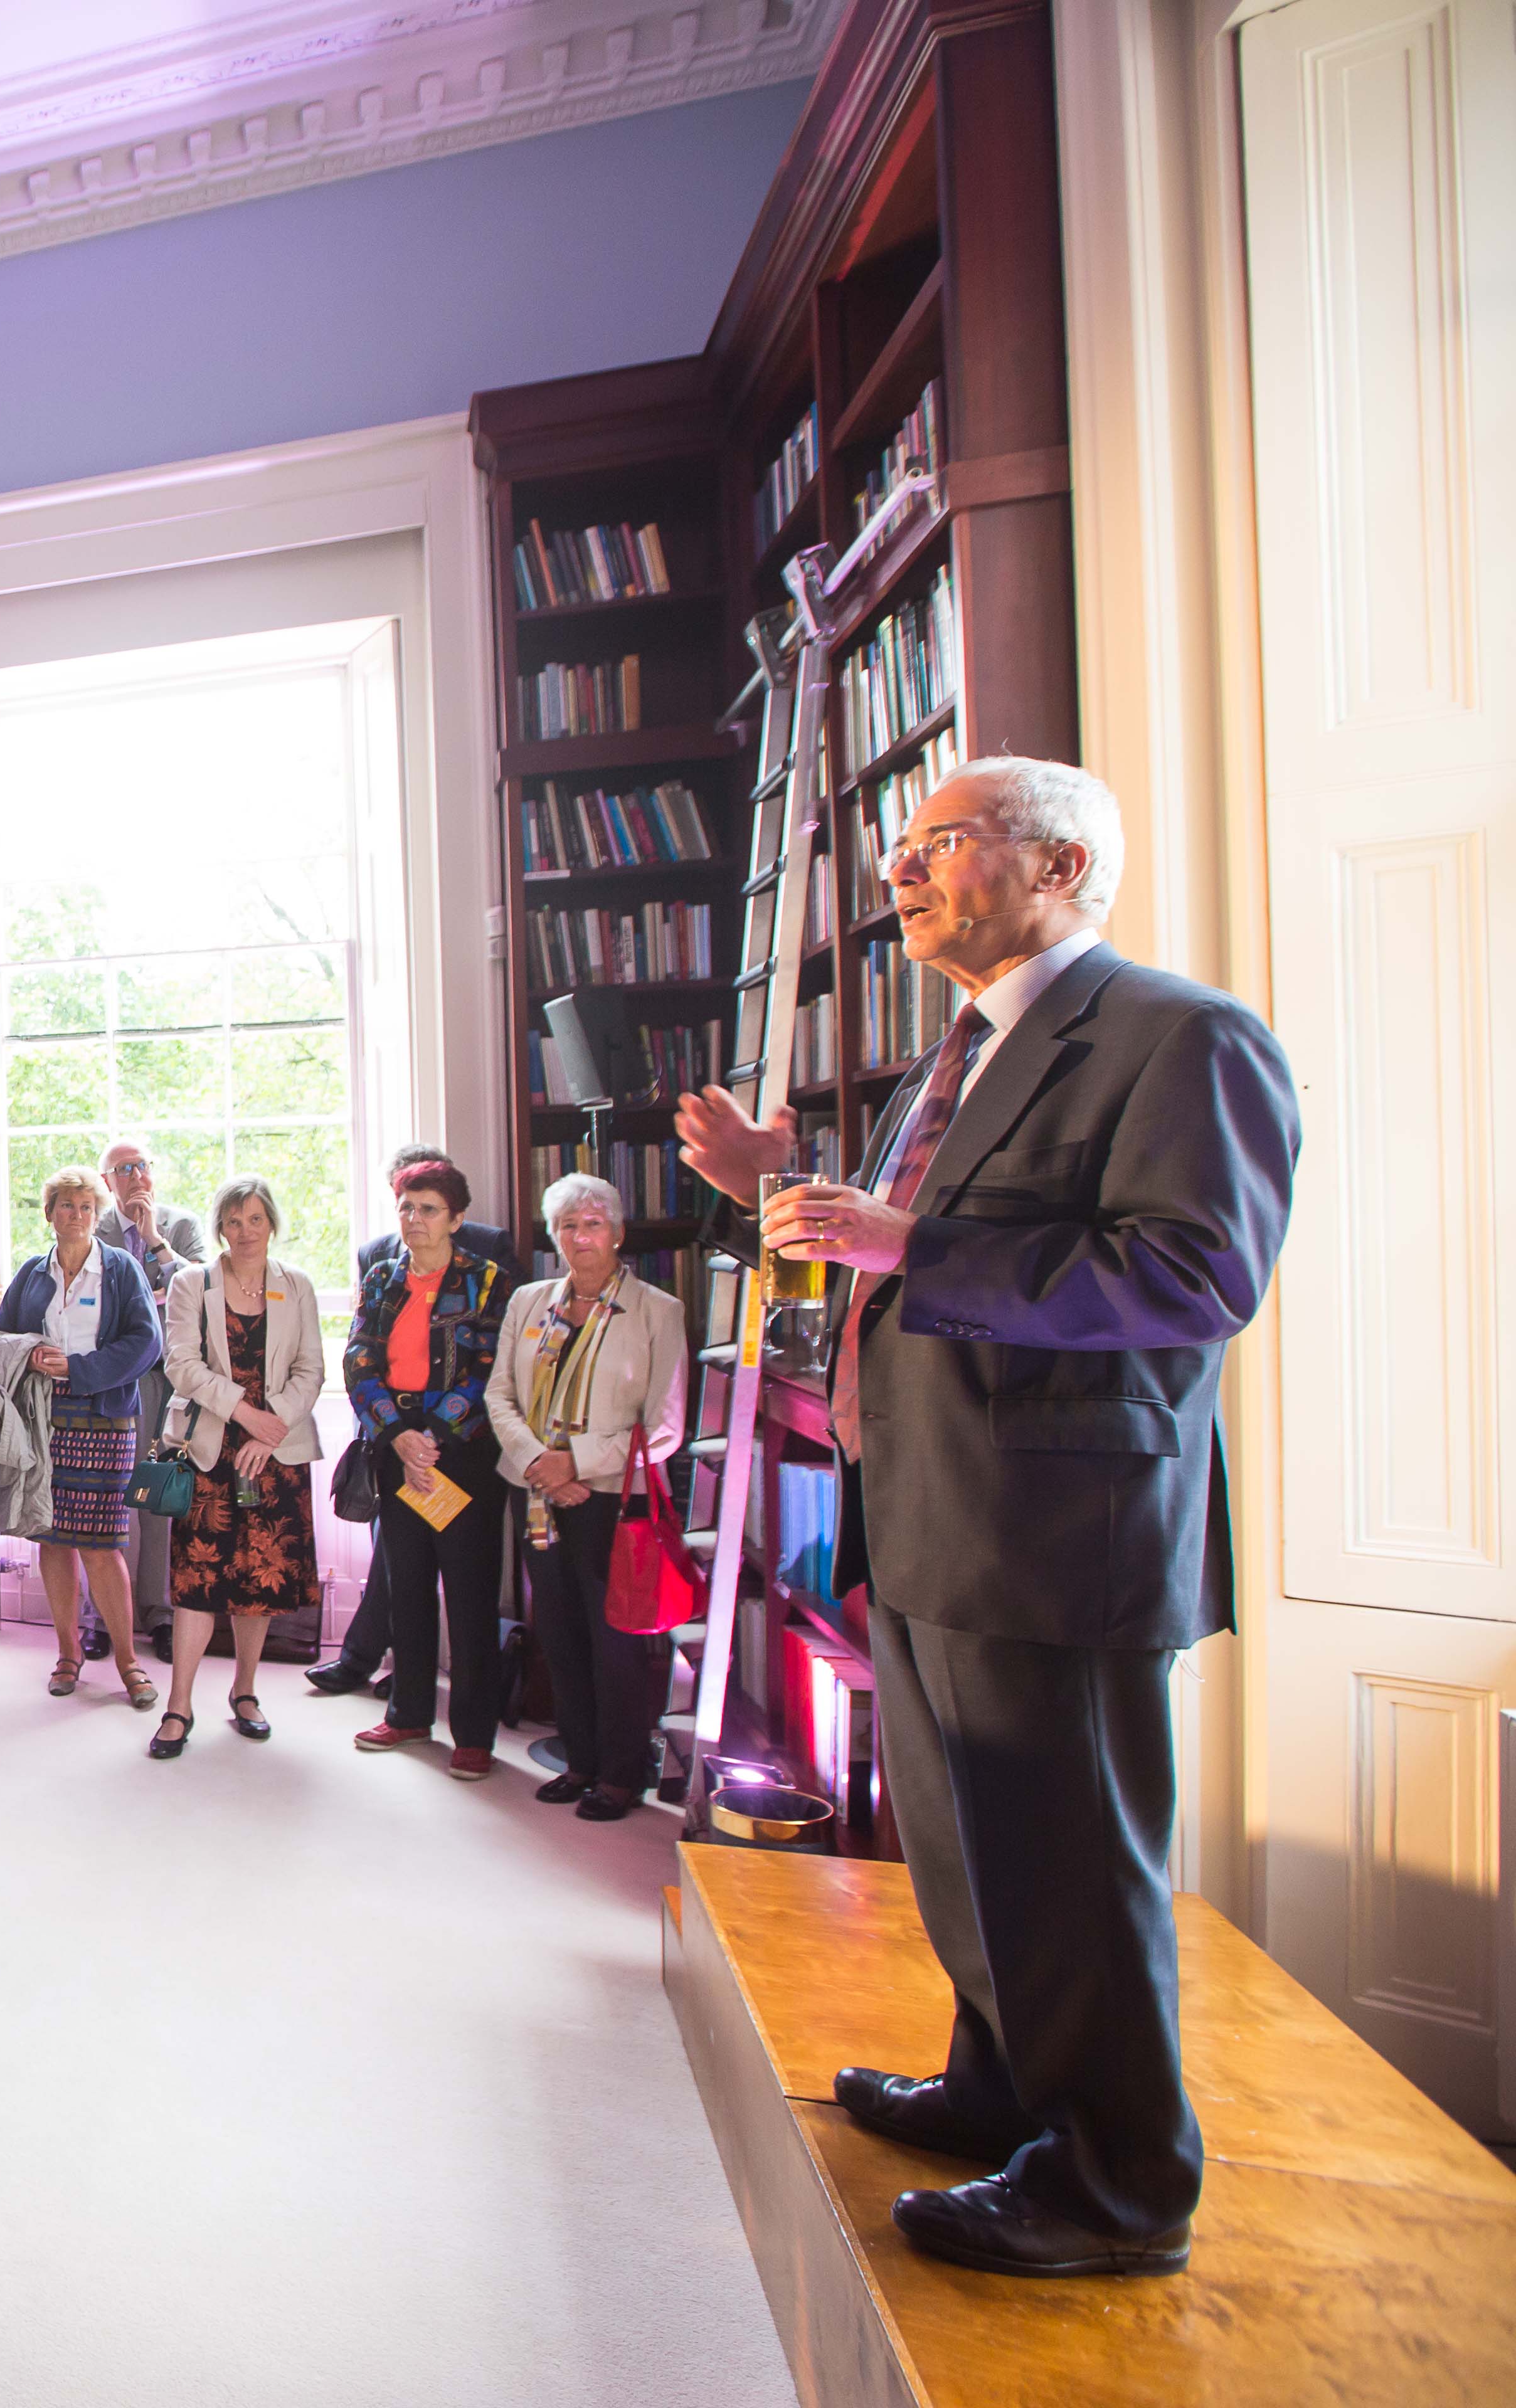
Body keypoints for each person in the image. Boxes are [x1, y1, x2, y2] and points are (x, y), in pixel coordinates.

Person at [677, 756, 1296, 2280]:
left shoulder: (1177, 1036)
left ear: (1058, 861)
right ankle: (998, 2083)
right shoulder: (954, 1052)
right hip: (930, 1500)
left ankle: (1114, 2181)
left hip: (1055, 1529)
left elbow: (1190, 1277)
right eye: (897, 847)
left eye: (934, 842)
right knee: (968, 1844)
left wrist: (902, 1236)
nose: (898, 872)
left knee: (1071, 1859)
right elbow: (914, 1249)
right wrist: (791, 1187)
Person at [485, 1173, 687, 1820]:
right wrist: (539, 1463)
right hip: (540, 1495)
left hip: (611, 1502)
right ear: (554, 1238)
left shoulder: (659, 1310)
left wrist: (576, 1462)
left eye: (594, 1224)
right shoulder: (529, 1303)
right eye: (568, 1226)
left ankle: (622, 1773)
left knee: (616, 1639)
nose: (581, 1237)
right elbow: (499, 1397)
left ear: (619, 1233)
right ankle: (579, 1760)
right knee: (562, 1634)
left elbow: (665, 1428)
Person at [309, 1146, 520, 1697]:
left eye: (428, 1209)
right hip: (396, 1450)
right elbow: (359, 1359)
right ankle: (407, 1713)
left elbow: (489, 1366)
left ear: (455, 1218)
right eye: (406, 1208)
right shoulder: (382, 1276)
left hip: (463, 1453)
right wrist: (398, 1437)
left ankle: (474, 1734)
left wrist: (431, 1437)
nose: (414, 1220)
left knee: (471, 1595)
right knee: (407, 1590)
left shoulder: (488, 1277)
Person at [149, 1177, 325, 1759]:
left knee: (259, 1582)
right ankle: (179, 1706)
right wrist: (246, 1414)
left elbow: (311, 1370)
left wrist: (268, 1430)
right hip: (211, 1451)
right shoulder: (190, 1284)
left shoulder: (296, 1285)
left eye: (254, 1219)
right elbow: (181, 1365)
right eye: (232, 1221)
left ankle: (245, 1693)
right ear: (219, 1226)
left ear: (271, 1223)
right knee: (196, 1586)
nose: (244, 1231)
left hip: (275, 1452)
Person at [0, 1167, 162, 1709]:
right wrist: (30, 1353)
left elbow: (146, 1343)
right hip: (44, 1419)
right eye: (66, 1206)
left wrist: (78, 1368)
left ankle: (128, 1662)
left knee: (104, 1543)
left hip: (105, 1419)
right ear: (49, 1214)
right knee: (52, 1536)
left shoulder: (121, 1270)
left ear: (97, 1214)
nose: (77, 1215)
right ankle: (68, 1654)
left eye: (87, 1207)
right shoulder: (32, 1273)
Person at [98, 1137, 207, 1657]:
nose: (136, 1175)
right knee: (110, 1498)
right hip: (118, 1377)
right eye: (124, 1169)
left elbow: (205, 1287)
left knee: (159, 1499)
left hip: (173, 1382)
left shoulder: (180, 1225)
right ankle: (102, 1615)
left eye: (142, 1165)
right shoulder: (93, 1229)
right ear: (108, 1183)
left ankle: (159, 1612)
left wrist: (155, 1239)